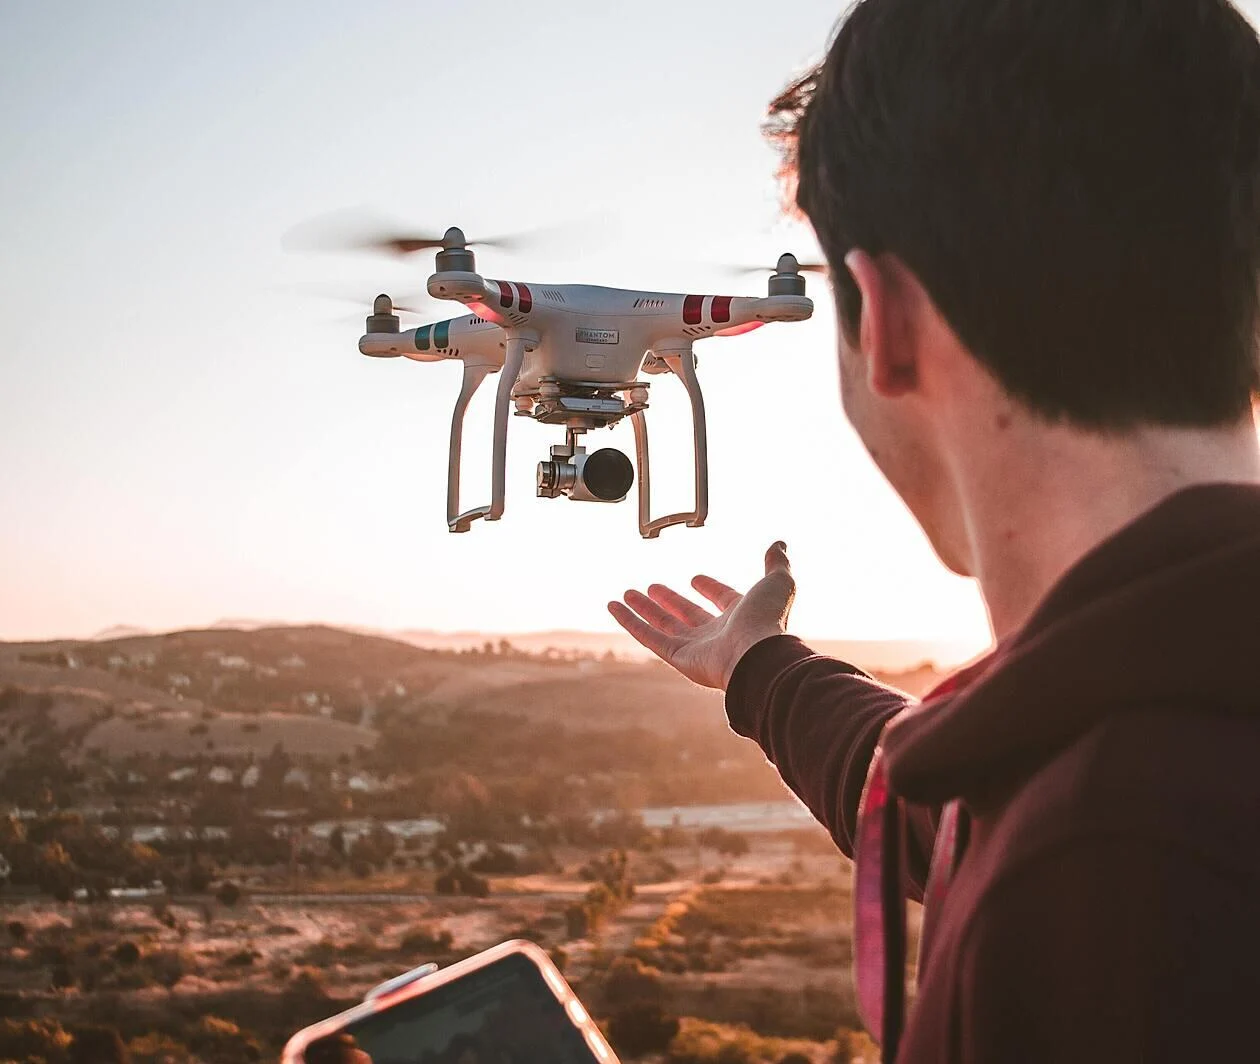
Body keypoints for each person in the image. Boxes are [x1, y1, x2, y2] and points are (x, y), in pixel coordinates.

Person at [609, 0, 1260, 1060]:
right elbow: (953, 806)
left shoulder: (1107, 874)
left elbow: (1040, 829)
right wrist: (758, 668)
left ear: (890, 324)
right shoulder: (1144, 734)